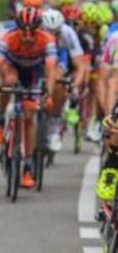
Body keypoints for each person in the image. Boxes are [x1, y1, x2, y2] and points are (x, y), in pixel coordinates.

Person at [0, 7, 57, 189]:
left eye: (32, 32)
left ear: (39, 30)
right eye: (23, 32)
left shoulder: (47, 40)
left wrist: (48, 92)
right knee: (8, 82)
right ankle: (1, 119)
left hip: (34, 72)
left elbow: (51, 71)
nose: (27, 37)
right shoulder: (9, 38)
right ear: (17, 29)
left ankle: (28, 165)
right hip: (13, 67)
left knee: (28, 116)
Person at [40, 9, 86, 152]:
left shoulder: (68, 33)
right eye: (49, 32)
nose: (52, 36)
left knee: (59, 80)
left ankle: (54, 123)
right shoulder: (35, 32)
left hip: (61, 57)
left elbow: (81, 66)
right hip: (39, 56)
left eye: (56, 32)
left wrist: (73, 86)